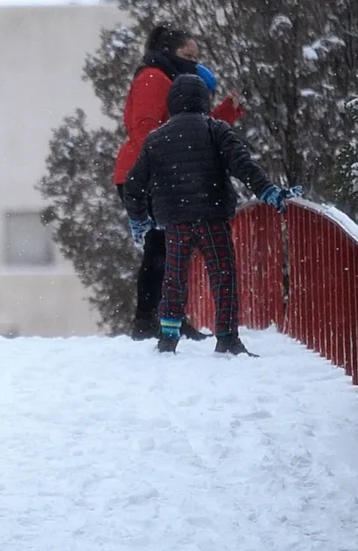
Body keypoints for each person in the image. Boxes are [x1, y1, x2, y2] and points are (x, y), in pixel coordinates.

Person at [122, 74, 302, 355]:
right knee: (222, 274)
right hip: (212, 215)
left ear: (172, 103)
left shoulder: (157, 138)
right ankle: (227, 337)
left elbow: (133, 184)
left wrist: (139, 221)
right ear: (203, 101)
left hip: (176, 221)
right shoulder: (214, 129)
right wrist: (268, 191)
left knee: (174, 279)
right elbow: (243, 165)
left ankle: (168, 339)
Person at [113, 26, 246, 341]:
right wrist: (163, 165)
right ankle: (151, 321)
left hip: (155, 173)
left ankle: (162, 319)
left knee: (165, 247)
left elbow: (194, 131)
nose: (194, 64)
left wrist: (226, 111)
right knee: (160, 248)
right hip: (144, 174)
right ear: (168, 53)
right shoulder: (152, 79)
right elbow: (146, 130)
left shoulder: (169, 81)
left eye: (196, 58)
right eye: (188, 56)